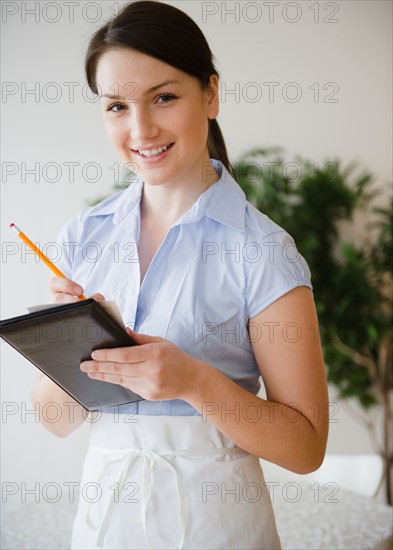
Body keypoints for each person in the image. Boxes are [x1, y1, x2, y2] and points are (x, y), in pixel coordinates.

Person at [31, 1, 329, 548]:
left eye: (163, 97)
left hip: (217, 528)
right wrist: (73, 345)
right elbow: (53, 419)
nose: (140, 128)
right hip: (106, 526)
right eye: (117, 105)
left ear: (210, 94)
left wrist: (192, 381)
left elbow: (306, 447)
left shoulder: (262, 251)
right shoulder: (84, 238)